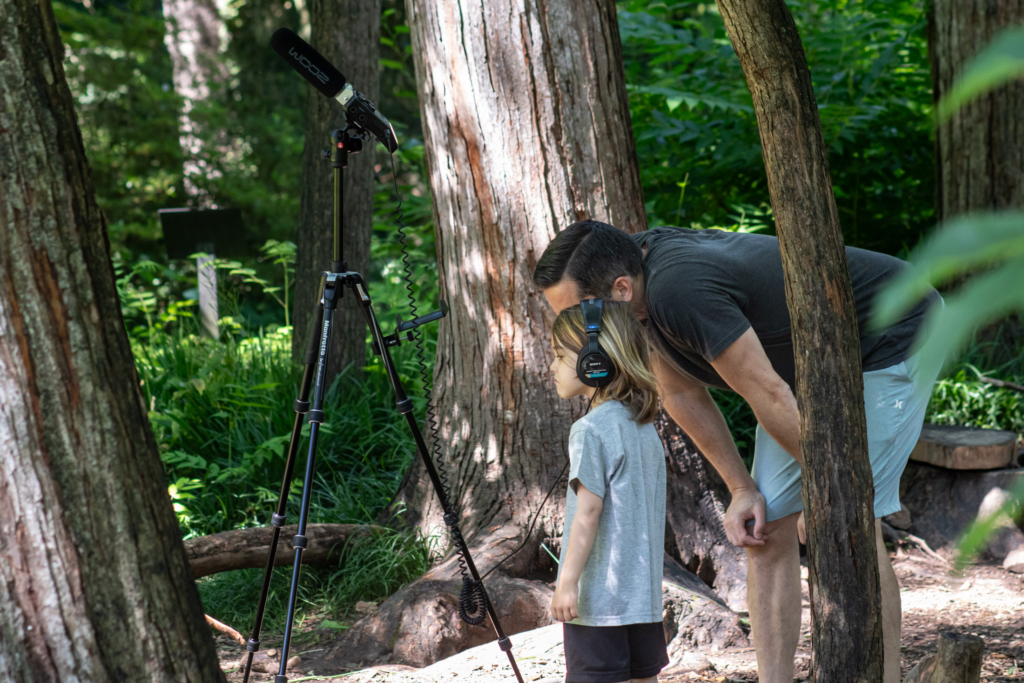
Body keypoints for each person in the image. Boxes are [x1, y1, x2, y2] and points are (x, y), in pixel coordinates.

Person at [534, 220, 941, 683]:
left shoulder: (679, 289)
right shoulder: (634, 300)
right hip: (804, 367)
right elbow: (681, 393)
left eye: (579, 313)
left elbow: (765, 391)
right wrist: (742, 487)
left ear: (621, 288)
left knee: (852, 518)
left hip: (890, 332)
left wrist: (827, 487)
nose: (577, 333)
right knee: (764, 529)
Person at [547, 300, 669, 683]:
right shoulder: (643, 428)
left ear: (594, 361)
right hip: (643, 603)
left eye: (559, 356)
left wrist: (567, 582)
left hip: (598, 603)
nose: (552, 367)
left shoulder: (591, 429)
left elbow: (588, 512)